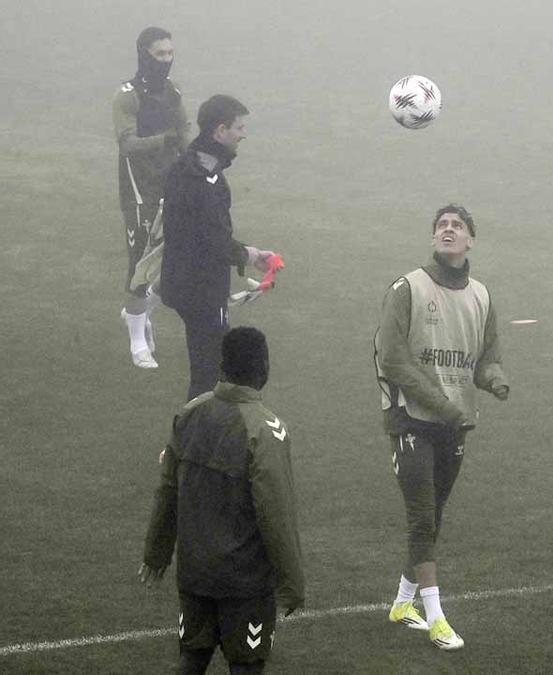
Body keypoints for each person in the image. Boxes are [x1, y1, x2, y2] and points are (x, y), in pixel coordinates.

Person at [373, 204, 509, 651]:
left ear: (470, 241)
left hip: (454, 423)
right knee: (421, 516)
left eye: (457, 226)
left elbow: (487, 357)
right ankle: (436, 618)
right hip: (410, 418)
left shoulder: (482, 297)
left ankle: (402, 604)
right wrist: (444, 406)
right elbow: (392, 360)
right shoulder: (407, 288)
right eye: (441, 226)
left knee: (434, 516)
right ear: (434, 238)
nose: (448, 230)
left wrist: (494, 380)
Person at [141, 327, 304, 674]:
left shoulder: (188, 415)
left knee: (193, 656)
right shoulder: (266, 430)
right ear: (263, 367)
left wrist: (156, 552)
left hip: (195, 571)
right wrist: (292, 583)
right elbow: (275, 514)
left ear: (222, 366)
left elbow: (167, 489)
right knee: (246, 664)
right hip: (244, 581)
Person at [160, 94, 277, 401]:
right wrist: (248, 255)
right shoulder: (206, 178)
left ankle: (196, 436)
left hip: (183, 283)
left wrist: (247, 253)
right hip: (201, 290)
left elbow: (201, 232)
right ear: (219, 131)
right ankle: (190, 441)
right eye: (238, 127)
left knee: (208, 366)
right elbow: (213, 241)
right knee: (210, 372)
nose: (243, 134)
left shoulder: (188, 165)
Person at [113, 26, 189, 369]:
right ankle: (137, 340)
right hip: (140, 191)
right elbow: (127, 143)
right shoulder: (128, 96)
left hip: (171, 185)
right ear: (144, 54)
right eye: (161, 54)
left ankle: (137, 313)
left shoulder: (173, 92)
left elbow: (183, 138)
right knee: (140, 264)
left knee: (175, 259)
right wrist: (165, 139)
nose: (167, 60)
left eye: (170, 53)